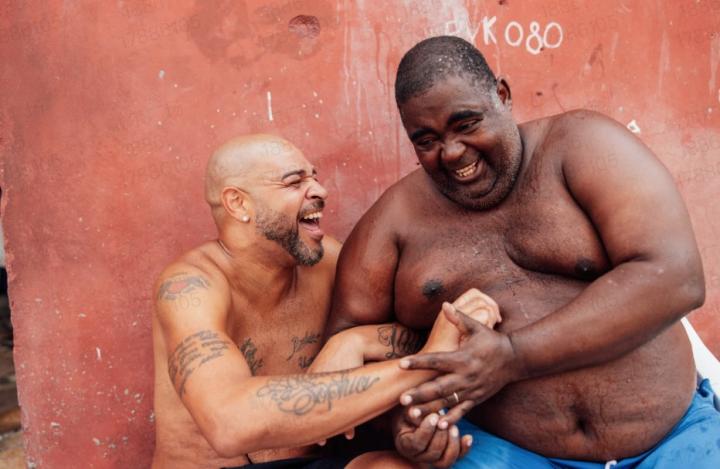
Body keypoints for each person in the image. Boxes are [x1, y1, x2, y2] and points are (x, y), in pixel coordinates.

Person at [325, 36, 720, 468]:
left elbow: (677, 277)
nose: (452, 152)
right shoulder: (390, 226)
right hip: (502, 453)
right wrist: (402, 427)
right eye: (426, 140)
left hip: (674, 440)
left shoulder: (582, 146)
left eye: (466, 124)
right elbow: (343, 373)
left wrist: (513, 356)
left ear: (502, 95)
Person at [150, 133, 501, 469]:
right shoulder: (189, 288)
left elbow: (420, 334)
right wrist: (427, 363)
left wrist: (354, 340)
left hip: (313, 461)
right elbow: (230, 425)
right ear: (239, 203)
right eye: (294, 182)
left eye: (314, 177)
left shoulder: (327, 260)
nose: (320, 190)